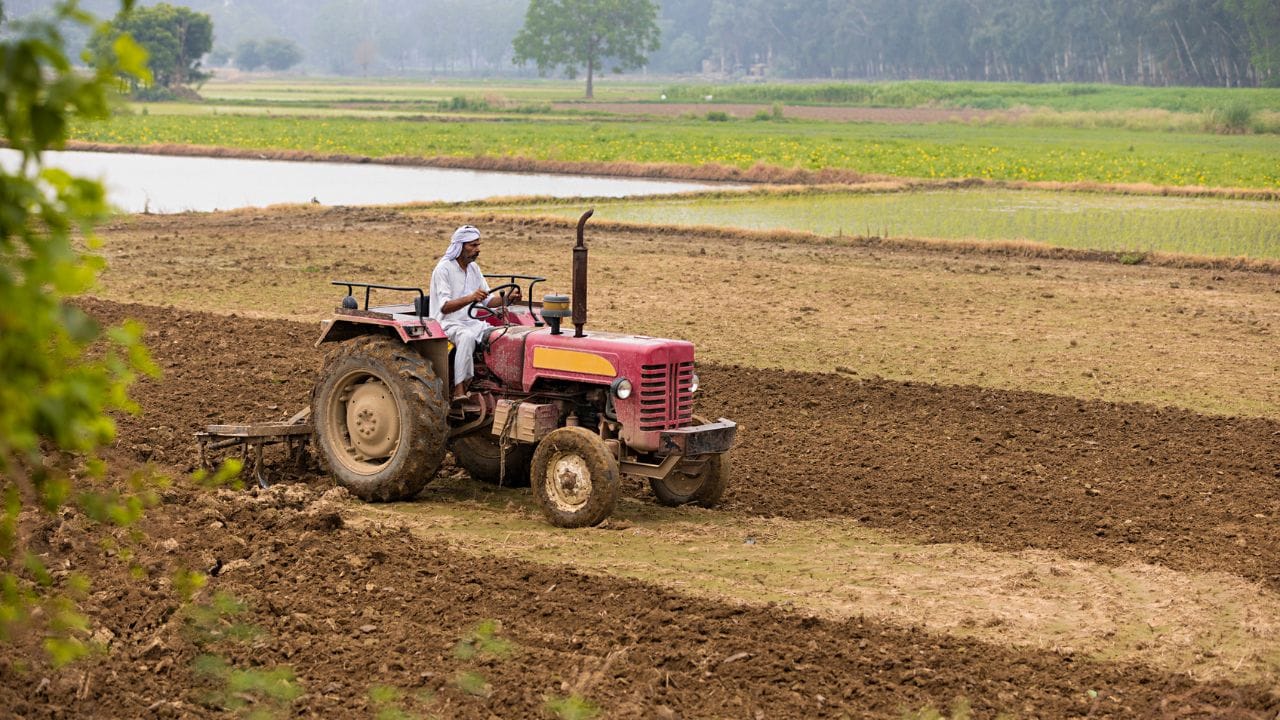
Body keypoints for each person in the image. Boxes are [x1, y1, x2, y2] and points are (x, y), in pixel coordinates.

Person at [429, 225, 520, 402]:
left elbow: (488, 301)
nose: (477, 249)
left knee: (499, 334)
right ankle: (459, 389)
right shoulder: (443, 269)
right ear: (460, 246)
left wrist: (508, 298)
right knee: (467, 337)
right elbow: (444, 307)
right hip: (446, 322)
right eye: (473, 245)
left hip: (470, 320)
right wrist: (471, 297)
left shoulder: (473, 269)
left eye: (478, 245)